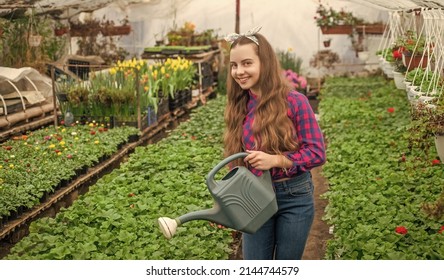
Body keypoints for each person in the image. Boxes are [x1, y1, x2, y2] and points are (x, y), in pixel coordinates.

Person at [223, 27, 326, 260]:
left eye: (247, 63)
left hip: (294, 196)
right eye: (234, 65)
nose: (239, 71)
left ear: (265, 62)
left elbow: (317, 152)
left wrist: (277, 160)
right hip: (255, 196)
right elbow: (237, 158)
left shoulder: (295, 102)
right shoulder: (239, 105)